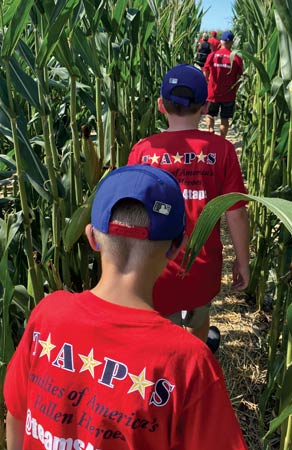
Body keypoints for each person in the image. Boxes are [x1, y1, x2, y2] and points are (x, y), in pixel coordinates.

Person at [4, 164, 249, 450]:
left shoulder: (47, 315)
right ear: (177, 248)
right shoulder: (188, 363)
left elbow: (18, 415)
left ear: (92, 237)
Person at [128, 64, 249, 353]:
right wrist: (243, 260)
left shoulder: (143, 150)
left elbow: (131, 211)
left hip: (156, 264)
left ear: (160, 105)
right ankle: (194, 355)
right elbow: (237, 212)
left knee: (164, 320)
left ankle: (169, 369)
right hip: (202, 263)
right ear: (206, 107)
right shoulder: (222, 151)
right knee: (199, 314)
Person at [204, 31, 243, 138]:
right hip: (228, 94)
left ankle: (210, 130)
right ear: (231, 42)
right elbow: (239, 77)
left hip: (213, 92)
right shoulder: (236, 58)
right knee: (224, 119)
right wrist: (235, 89)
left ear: (221, 41)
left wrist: (207, 81)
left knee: (210, 114)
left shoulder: (212, 55)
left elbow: (206, 71)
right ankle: (222, 139)